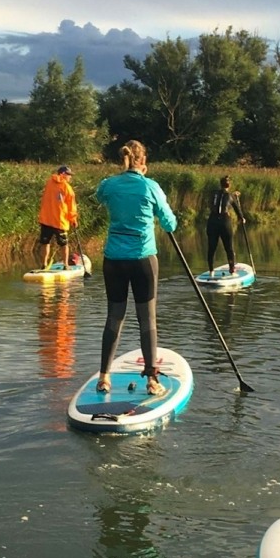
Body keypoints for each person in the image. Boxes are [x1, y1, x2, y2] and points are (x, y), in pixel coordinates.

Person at [95, 140, 178, 396]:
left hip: (114, 260)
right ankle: (152, 381)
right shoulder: (150, 186)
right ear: (143, 161)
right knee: (147, 319)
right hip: (142, 260)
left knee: (114, 316)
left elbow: (100, 197)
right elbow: (169, 223)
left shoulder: (108, 184)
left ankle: (104, 377)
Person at [38, 165, 78, 268]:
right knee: (64, 244)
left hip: (46, 220)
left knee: (45, 242)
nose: (70, 177)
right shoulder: (67, 188)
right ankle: (65, 265)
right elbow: (71, 206)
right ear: (63, 174)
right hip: (60, 221)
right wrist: (73, 219)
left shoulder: (49, 182)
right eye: (69, 175)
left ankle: (44, 264)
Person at [204, 175, 245, 275]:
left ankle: (211, 271)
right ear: (229, 185)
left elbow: (214, 201)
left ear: (220, 184)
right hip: (224, 222)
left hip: (212, 221)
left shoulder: (214, 193)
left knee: (212, 247)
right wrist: (241, 218)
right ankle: (232, 269)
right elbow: (237, 209)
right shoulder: (231, 196)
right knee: (229, 247)